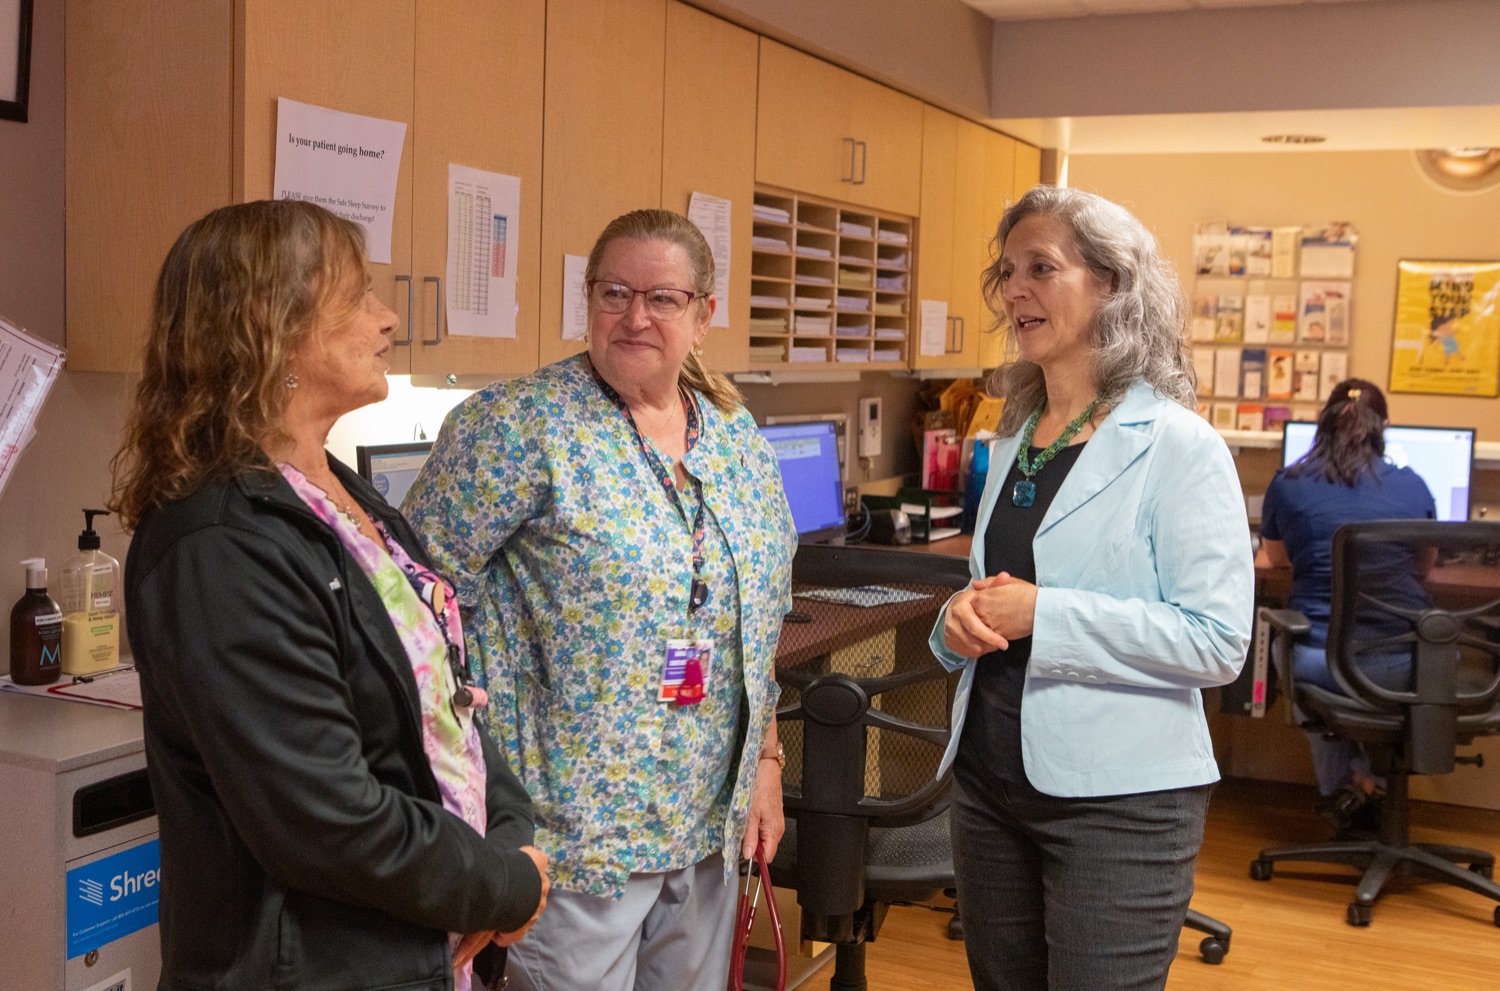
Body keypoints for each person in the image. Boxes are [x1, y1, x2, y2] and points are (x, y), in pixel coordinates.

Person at [109, 200, 548, 991]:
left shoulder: (342, 498)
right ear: (269, 323)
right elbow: (325, 815)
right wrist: (499, 883)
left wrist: (512, 837)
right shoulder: (218, 544)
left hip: (417, 945)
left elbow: (444, 703)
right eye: (358, 296)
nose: (387, 318)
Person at [404, 208, 797, 990]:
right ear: (587, 298)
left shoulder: (734, 436)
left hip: (705, 825)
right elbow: (414, 598)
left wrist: (766, 760)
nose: (635, 316)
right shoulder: (516, 427)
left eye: (662, 298)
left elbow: (755, 620)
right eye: (615, 293)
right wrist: (468, 786)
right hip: (572, 836)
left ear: (703, 314)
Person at [929, 185, 1254, 991]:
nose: (1015, 291)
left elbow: (1217, 642)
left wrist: (1046, 613)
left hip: (1121, 802)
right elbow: (993, 589)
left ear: (1110, 283)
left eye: (1042, 268)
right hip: (988, 782)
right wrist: (956, 619)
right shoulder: (1016, 434)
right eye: (1008, 272)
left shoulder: (1179, 446)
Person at [1259, 378, 1436, 830]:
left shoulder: (1288, 484)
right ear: (1384, 428)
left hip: (1321, 664)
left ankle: (1348, 789)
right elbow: (1424, 566)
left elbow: (1276, 560)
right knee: (1393, 680)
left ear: (1322, 424)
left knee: (1289, 650)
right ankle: (1372, 783)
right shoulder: (1413, 485)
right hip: (1403, 666)